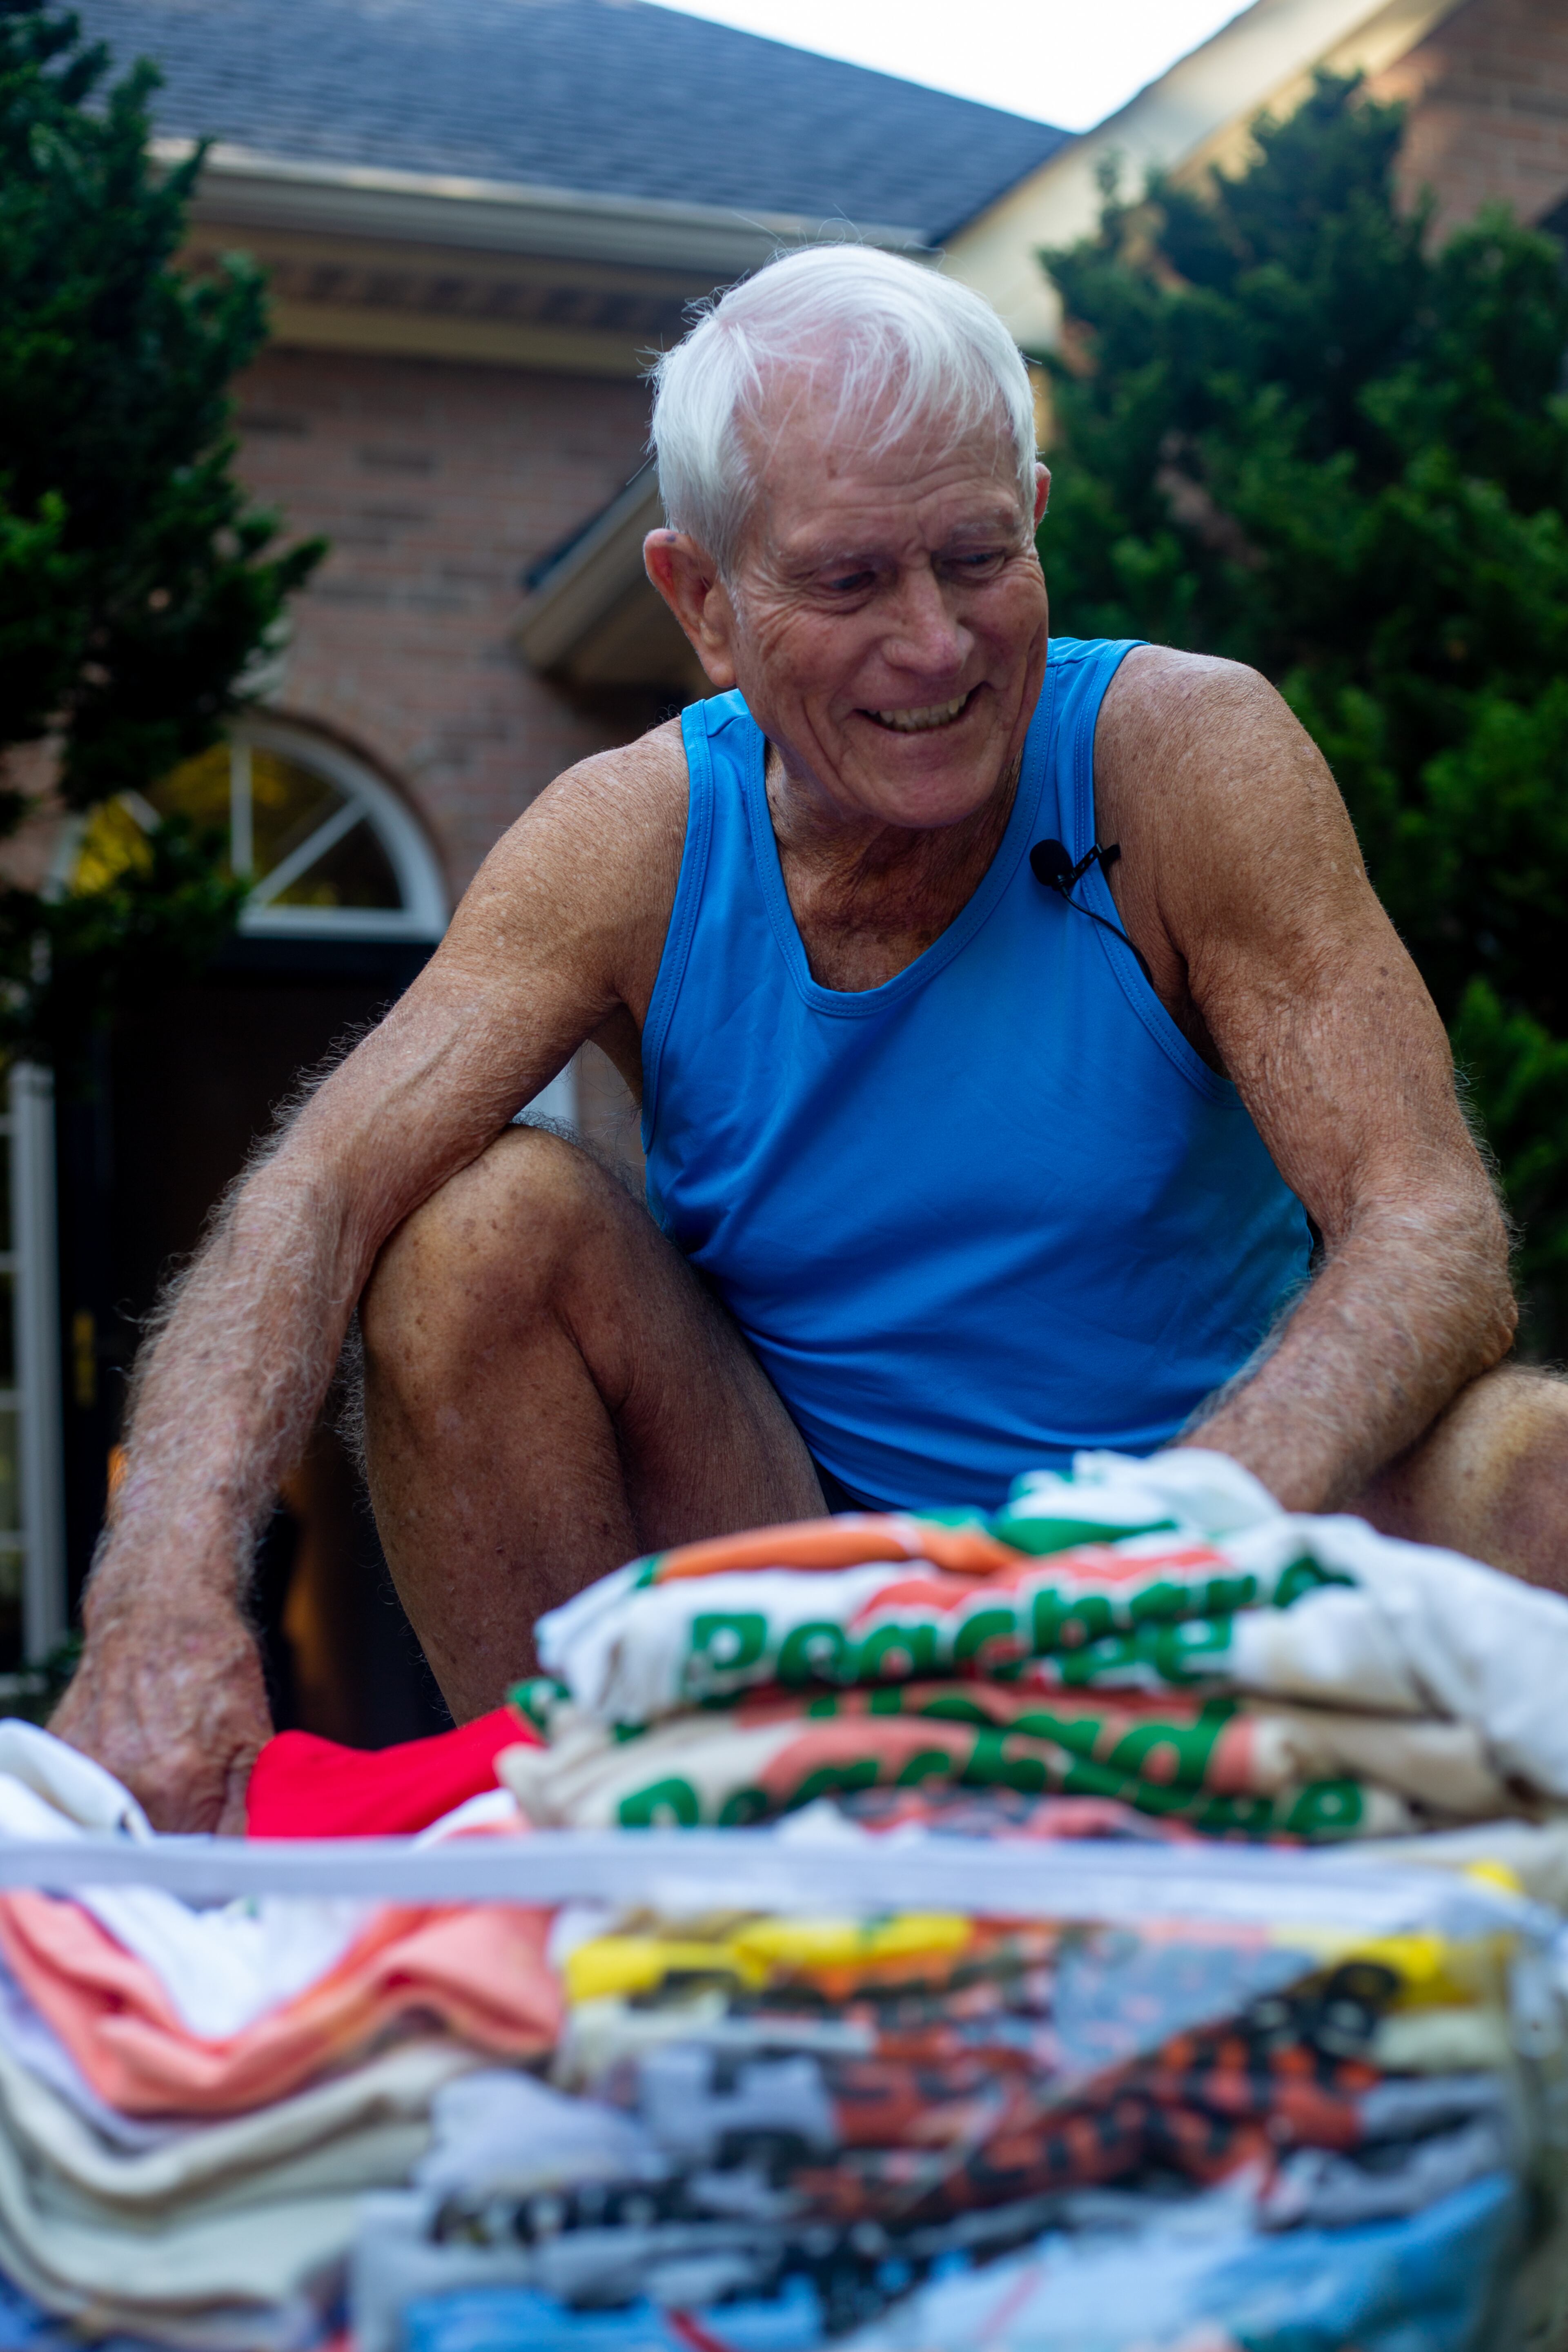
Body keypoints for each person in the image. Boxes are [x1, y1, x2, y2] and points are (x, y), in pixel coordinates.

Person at [51, 244, 1568, 1833]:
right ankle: (603, 1874)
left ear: (1036, 516)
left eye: (979, 560)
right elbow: (321, 1193)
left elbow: (1436, 1229)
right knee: (470, 1230)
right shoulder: (632, 842)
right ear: (702, 601)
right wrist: (160, 1599)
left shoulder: (1180, 756)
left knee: (1531, 1457)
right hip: (806, 1599)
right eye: (850, 582)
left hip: (1230, 1567)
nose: (935, 647)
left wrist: (1164, 1541)